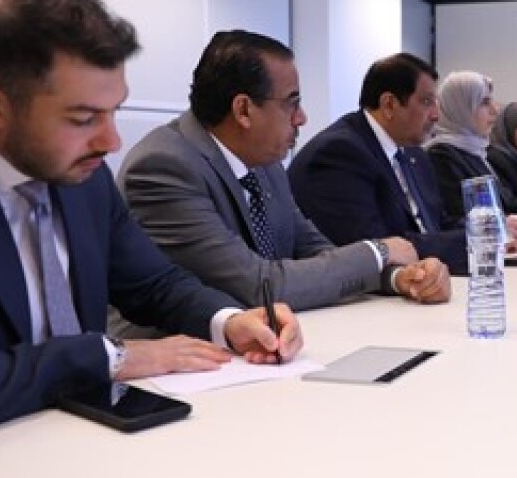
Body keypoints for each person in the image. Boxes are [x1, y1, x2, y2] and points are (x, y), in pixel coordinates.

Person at [0, 0, 301, 448]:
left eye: (114, 111)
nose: (111, 142)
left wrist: (229, 322)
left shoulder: (82, 171)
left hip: (85, 442)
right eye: (83, 119)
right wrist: (107, 357)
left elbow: (154, 285)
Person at [116, 31, 450, 322]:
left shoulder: (264, 160)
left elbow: (312, 248)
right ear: (244, 110)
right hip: (176, 359)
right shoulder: (164, 167)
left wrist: (399, 277)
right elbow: (259, 286)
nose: (302, 118)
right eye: (292, 103)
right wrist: (378, 251)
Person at [288, 54, 517, 276]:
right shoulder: (340, 153)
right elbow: (378, 249)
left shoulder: (413, 152)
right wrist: (480, 238)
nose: (436, 115)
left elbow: (437, 223)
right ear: (389, 104)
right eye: (426, 102)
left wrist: (495, 226)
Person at [422, 73, 517, 230]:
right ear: (461, 108)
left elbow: (507, 200)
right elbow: (458, 220)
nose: (495, 110)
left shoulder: (475, 152)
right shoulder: (441, 156)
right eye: (485, 102)